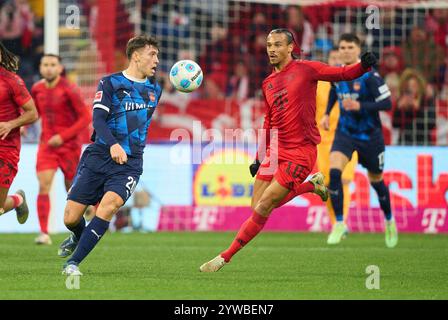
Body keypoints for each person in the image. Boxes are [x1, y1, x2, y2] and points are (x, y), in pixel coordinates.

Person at [199, 29, 376, 272]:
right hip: (276, 149)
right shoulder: (268, 83)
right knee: (257, 206)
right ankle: (312, 186)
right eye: (269, 44)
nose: (271, 49)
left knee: (264, 207)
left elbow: (342, 73)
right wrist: (259, 157)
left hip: (301, 151)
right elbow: (268, 121)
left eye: (278, 44)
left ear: (291, 47)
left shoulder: (307, 69)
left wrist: (363, 67)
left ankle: (223, 258)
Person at [58, 35, 162, 276]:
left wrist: (126, 149)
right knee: (70, 217)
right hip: (100, 155)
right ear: (136, 56)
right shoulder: (110, 83)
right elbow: (98, 120)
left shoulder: (155, 90)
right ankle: (77, 235)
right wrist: (114, 144)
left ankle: (72, 264)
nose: (156, 60)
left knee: (108, 207)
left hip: (129, 163)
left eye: (157, 55)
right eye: (152, 54)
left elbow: (139, 125)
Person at [323, 33, 398, 248]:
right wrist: (328, 113)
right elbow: (332, 91)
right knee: (334, 173)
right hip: (344, 134)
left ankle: (389, 220)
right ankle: (339, 223)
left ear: (358, 50)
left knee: (376, 181)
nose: (345, 50)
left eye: (349, 47)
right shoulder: (337, 74)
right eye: (342, 47)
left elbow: (387, 104)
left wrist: (361, 106)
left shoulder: (370, 76)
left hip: (370, 137)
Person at [31, 54, 92, 245]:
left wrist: (63, 137)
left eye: (52, 65)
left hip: (69, 146)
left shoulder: (69, 89)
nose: (49, 68)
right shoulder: (37, 89)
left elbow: (85, 118)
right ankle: (44, 233)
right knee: (44, 185)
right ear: (40, 68)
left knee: (72, 191)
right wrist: (24, 126)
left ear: (59, 68)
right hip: (47, 146)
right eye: (45, 64)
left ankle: (84, 224)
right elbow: (35, 112)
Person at [317, 48, 358, 225]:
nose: (334, 61)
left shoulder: (353, 80)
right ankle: (335, 223)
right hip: (324, 142)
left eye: (337, 58)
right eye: (331, 58)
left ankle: (342, 221)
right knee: (327, 184)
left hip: (348, 136)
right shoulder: (318, 84)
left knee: (344, 179)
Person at [0, 41, 38, 224]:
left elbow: (33, 113)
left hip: (5, 149)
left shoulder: (12, 81)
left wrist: (10, 124)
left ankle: (17, 200)